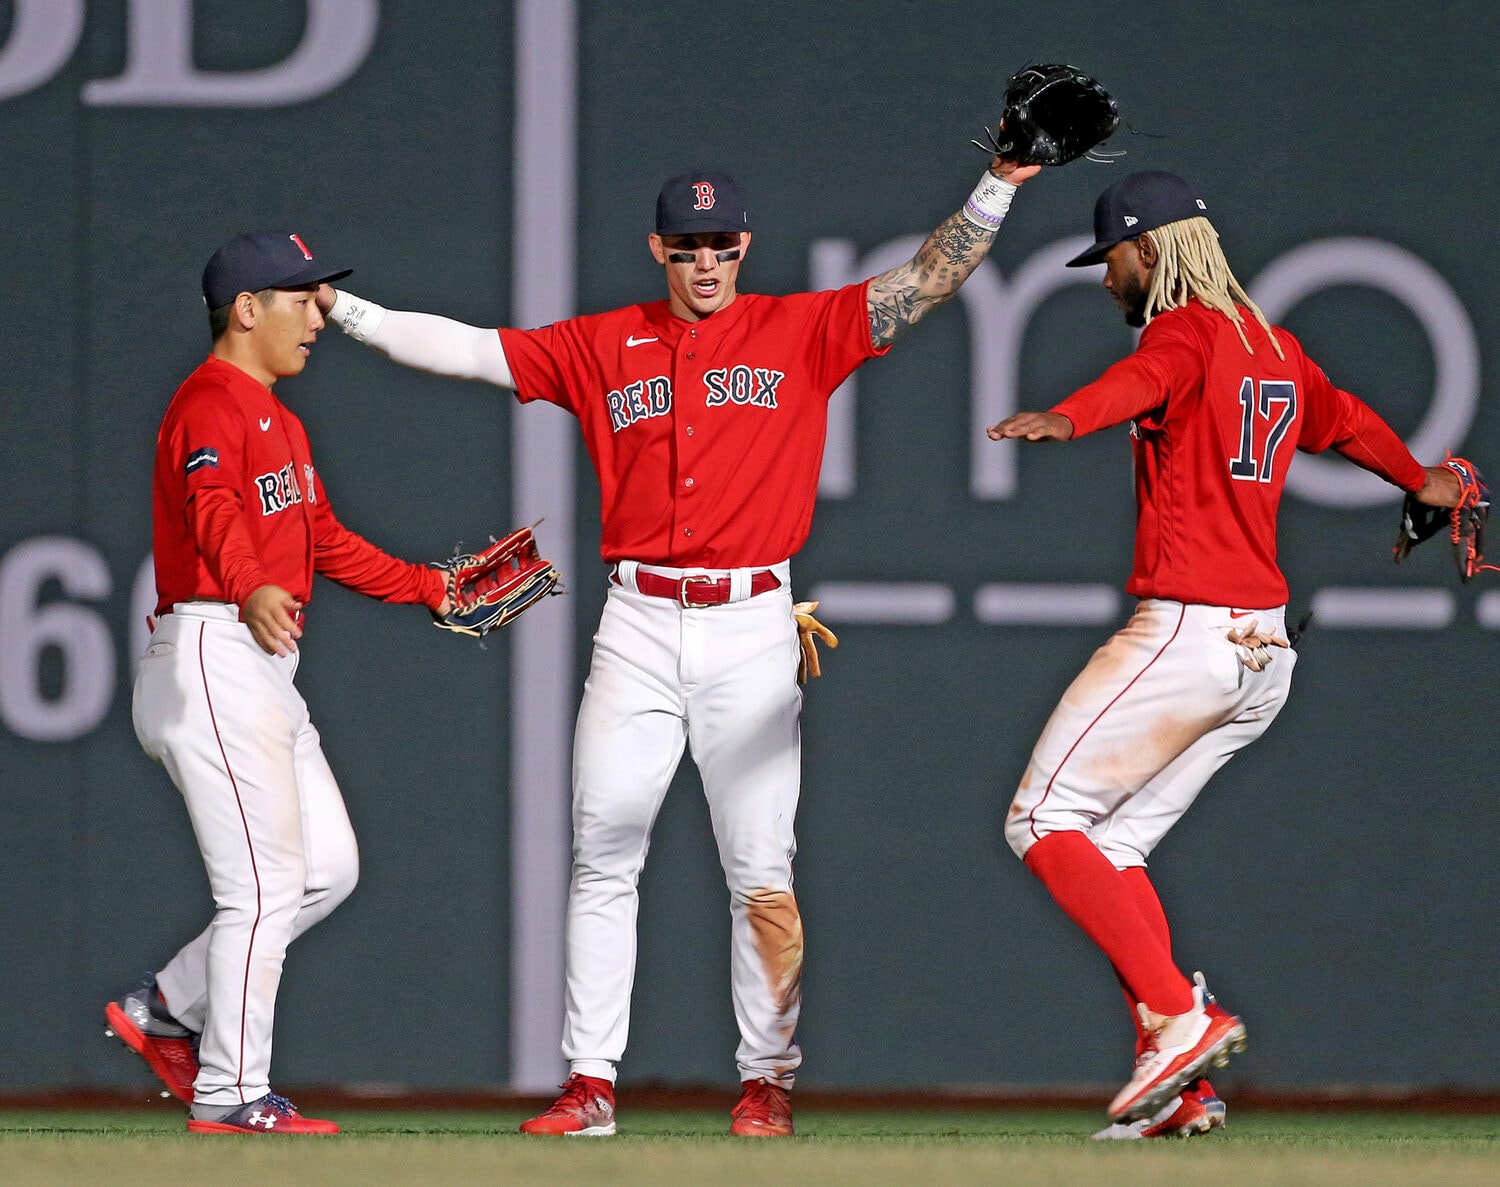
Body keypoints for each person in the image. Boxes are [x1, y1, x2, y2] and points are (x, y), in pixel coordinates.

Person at [316, 158, 1041, 1136]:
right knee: (603, 848)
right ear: (660, 248)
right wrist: (346, 313)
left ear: (745, 245)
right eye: (688, 246)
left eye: (722, 245)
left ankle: (767, 1080)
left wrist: (997, 182)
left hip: (751, 624)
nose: (706, 262)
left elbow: (928, 280)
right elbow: (473, 352)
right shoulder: (605, 343)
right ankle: (590, 1081)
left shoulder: (800, 331)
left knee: (760, 865)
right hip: (638, 623)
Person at [986, 170, 1462, 1140]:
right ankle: (1184, 1088)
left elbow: (1141, 381)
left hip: (1190, 629)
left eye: (1111, 257)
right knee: (1111, 845)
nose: (1105, 277)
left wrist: (1067, 415)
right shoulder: (1276, 349)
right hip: (1264, 654)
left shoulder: (1186, 334)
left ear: (1152, 252)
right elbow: (1350, 422)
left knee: (1039, 817)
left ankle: (1179, 1019)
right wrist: (1425, 480)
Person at [106, 231, 453, 1135]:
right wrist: (251, 580)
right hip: (213, 648)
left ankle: (170, 1005)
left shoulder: (282, 420)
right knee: (259, 887)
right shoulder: (208, 402)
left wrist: (431, 586)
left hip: (259, 663)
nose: (319, 312)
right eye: (301, 296)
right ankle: (230, 1090)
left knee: (325, 870)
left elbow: (325, 539)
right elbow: (211, 505)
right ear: (247, 309)